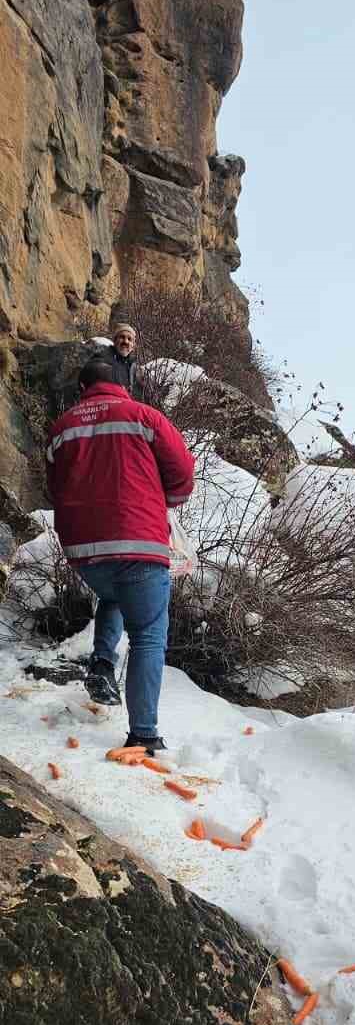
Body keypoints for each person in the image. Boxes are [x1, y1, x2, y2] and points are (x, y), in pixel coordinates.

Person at [46, 354, 195, 751]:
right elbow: (183, 473)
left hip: (83, 548)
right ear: (123, 386)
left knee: (113, 593)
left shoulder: (61, 429)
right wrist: (164, 500)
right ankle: (144, 733)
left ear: (82, 389)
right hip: (137, 540)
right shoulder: (144, 416)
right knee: (148, 635)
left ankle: (101, 662)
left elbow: (56, 487)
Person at [97, 322, 139, 397]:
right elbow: (92, 369)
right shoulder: (104, 356)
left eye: (129, 339)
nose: (125, 341)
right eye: (122, 337)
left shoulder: (133, 365)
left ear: (133, 345)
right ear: (115, 340)